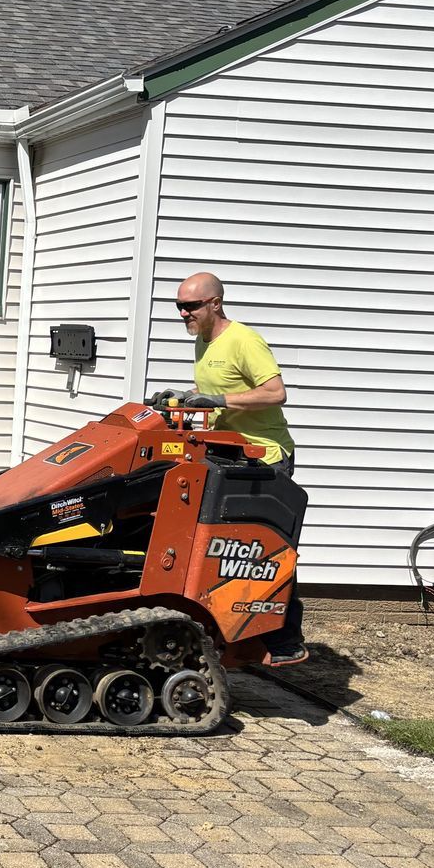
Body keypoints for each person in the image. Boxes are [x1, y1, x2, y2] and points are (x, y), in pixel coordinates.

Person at [175, 270, 307, 665]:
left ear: (215, 303)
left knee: (267, 549)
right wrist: (187, 398)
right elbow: (218, 392)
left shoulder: (243, 339)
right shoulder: (204, 340)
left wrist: (216, 399)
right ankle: (238, 629)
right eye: (179, 306)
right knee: (230, 548)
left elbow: (275, 392)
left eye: (191, 306)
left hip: (266, 458)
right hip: (233, 455)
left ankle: (286, 641)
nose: (184, 313)